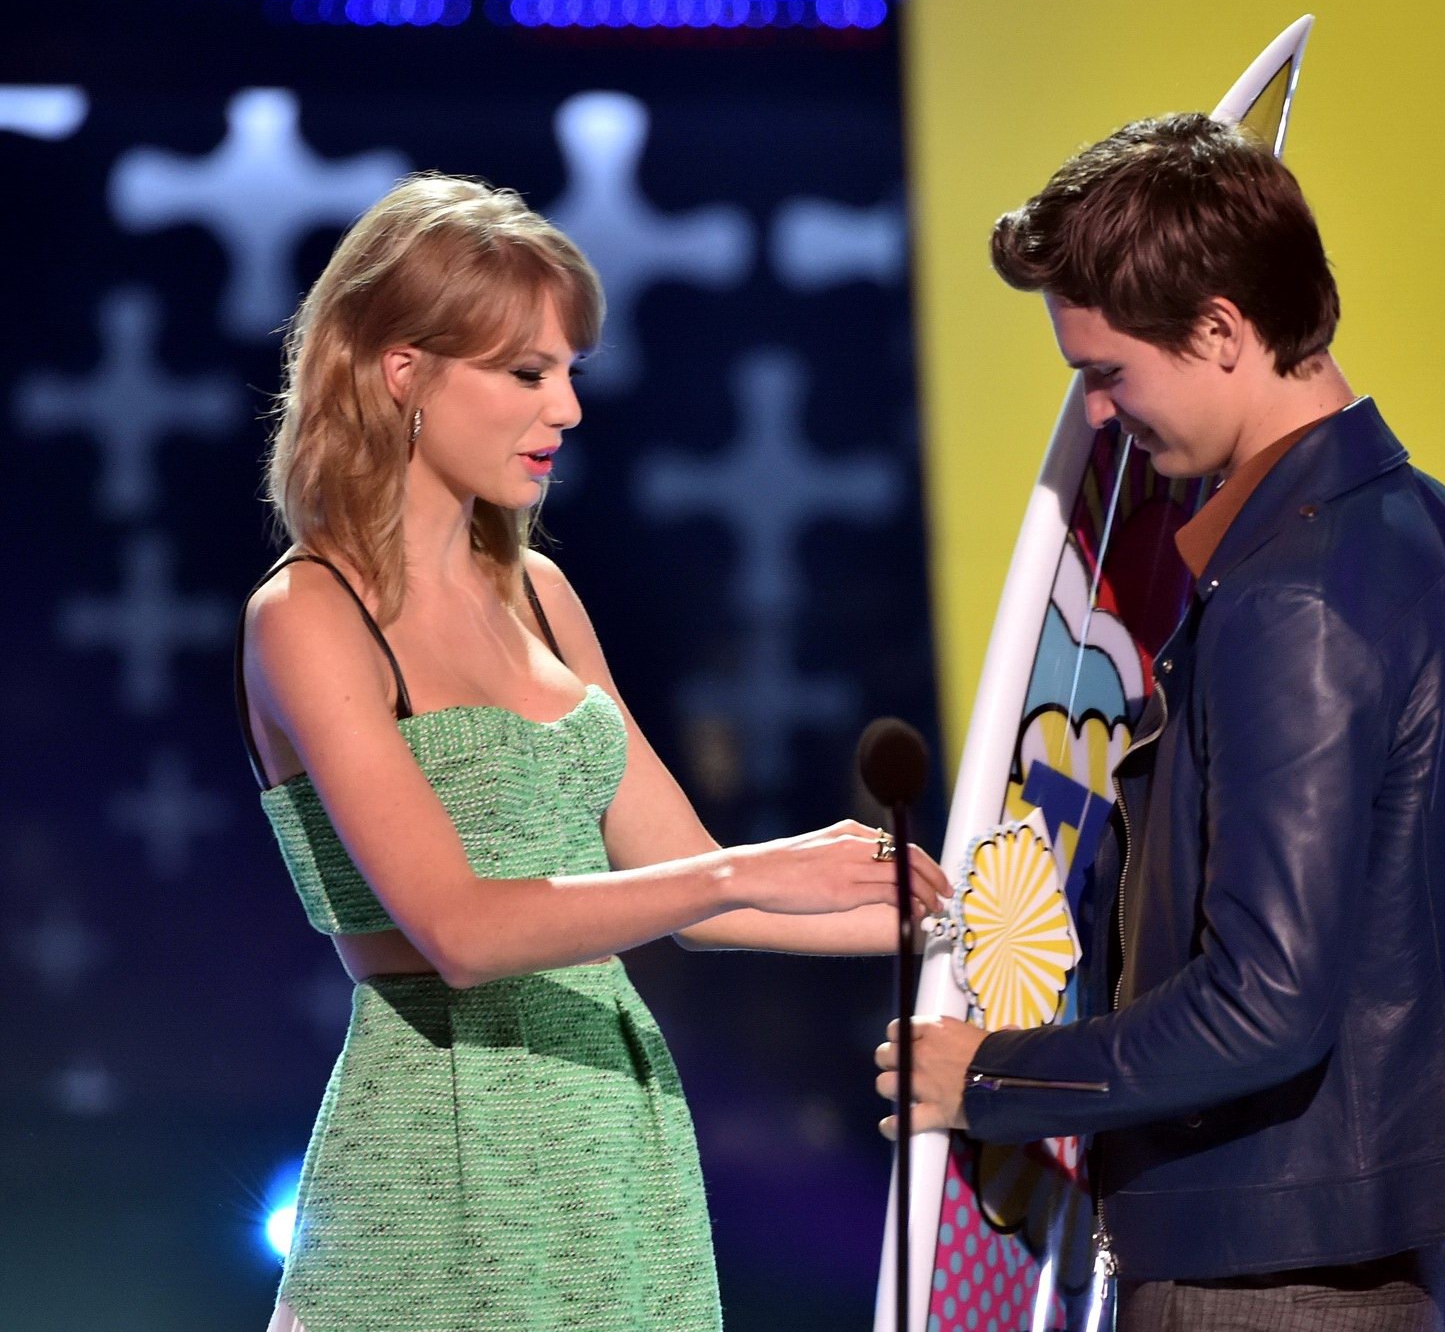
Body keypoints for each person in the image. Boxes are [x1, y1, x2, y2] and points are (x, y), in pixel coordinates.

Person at [235, 172, 949, 1332]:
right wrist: (747, 868)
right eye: (526, 373)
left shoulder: (545, 596)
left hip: (615, 1138)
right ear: (400, 368)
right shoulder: (307, 615)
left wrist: (947, 916)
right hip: (444, 1160)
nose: (565, 408)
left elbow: (694, 895)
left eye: (571, 371)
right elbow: (459, 930)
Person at [876, 113, 1445, 1330]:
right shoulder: (1443, 537)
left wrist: (995, 1077)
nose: (1102, 419)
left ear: (1222, 330)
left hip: (1261, 1274)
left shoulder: (1295, 597)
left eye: (1108, 372)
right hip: (1349, 1254)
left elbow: (1265, 999)